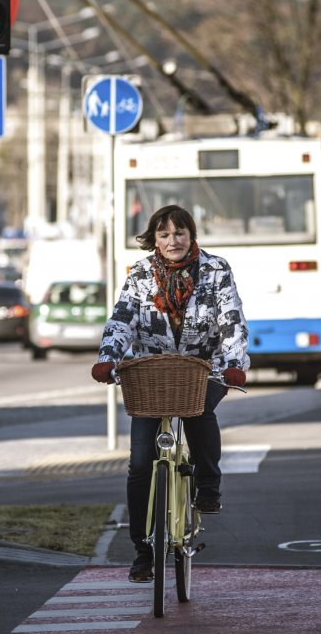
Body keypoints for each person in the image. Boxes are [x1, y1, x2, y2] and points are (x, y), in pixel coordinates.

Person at [90, 204, 250, 583]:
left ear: (192, 235)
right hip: (153, 372)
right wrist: (107, 358)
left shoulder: (216, 269)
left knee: (199, 412)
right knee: (140, 462)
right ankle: (143, 552)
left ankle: (208, 487)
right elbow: (122, 318)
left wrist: (233, 361)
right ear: (154, 239)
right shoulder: (141, 273)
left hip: (204, 368)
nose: (172, 241)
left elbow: (231, 318)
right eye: (163, 234)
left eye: (179, 233)